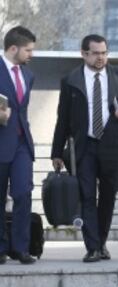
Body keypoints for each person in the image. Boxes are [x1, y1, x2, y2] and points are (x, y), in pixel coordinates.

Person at [51, 34, 118, 262]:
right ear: (84, 54)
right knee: (87, 196)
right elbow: (62, 118)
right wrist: (56, 152)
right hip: (85, 146)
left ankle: (101, 243)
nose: (101, 58)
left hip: (112, 144)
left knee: (108, 196)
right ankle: (92, 247)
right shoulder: (70, 80)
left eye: (104, 53)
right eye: (96, 53)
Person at [0, 26, 37, 265]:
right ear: (13, 48)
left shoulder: (28, 75)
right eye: (28, 50)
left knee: (23, 193)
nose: (31, 54)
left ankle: (21, 248)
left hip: (22, 142)